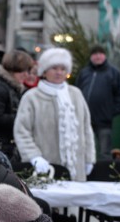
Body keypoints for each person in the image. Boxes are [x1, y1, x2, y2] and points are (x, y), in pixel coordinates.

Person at [14, 47, 96, 181]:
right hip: (46, 168)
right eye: (54, 68)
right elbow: (22, 131)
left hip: (77, 170)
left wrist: (89, 158)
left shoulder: (76, 94)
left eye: (63, 69)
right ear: (44, 71)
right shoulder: (32, 97)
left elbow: (86, 128)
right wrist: (34, 156)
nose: (59, 72)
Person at [76, 45, 120, 161]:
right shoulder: (84, 73)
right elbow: (77, 91)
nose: (97, 56)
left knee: (105, 151)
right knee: (83, 148)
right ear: (91, 57)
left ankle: (105, 175)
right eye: (95, 54)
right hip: (85, 118)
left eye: (100, 53)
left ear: (105, 56)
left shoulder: (114, 73)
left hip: (104, 120)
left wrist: (111, 112)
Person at [0, 49, 35, 162]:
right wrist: (23, 118)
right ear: (12, 69)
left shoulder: (13, 87)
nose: (26, 75)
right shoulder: (0, 88)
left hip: (7, 147)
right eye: (22, 71)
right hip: (2, 147)